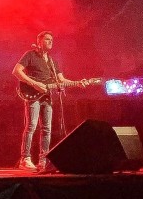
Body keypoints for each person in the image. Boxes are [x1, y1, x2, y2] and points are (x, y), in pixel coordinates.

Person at [12, 30, 87, 172]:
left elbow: (61, 80)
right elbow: (17, 71)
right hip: (32, 95)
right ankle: (25, 158)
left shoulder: (52, 61)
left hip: (47, 97)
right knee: (31, 126)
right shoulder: (30, 55)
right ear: (39, 41)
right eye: (47, 39)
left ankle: (43, 159)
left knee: (47, 129)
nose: (50, 41)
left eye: (51, 39)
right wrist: (34, 83)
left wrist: (77, 83)